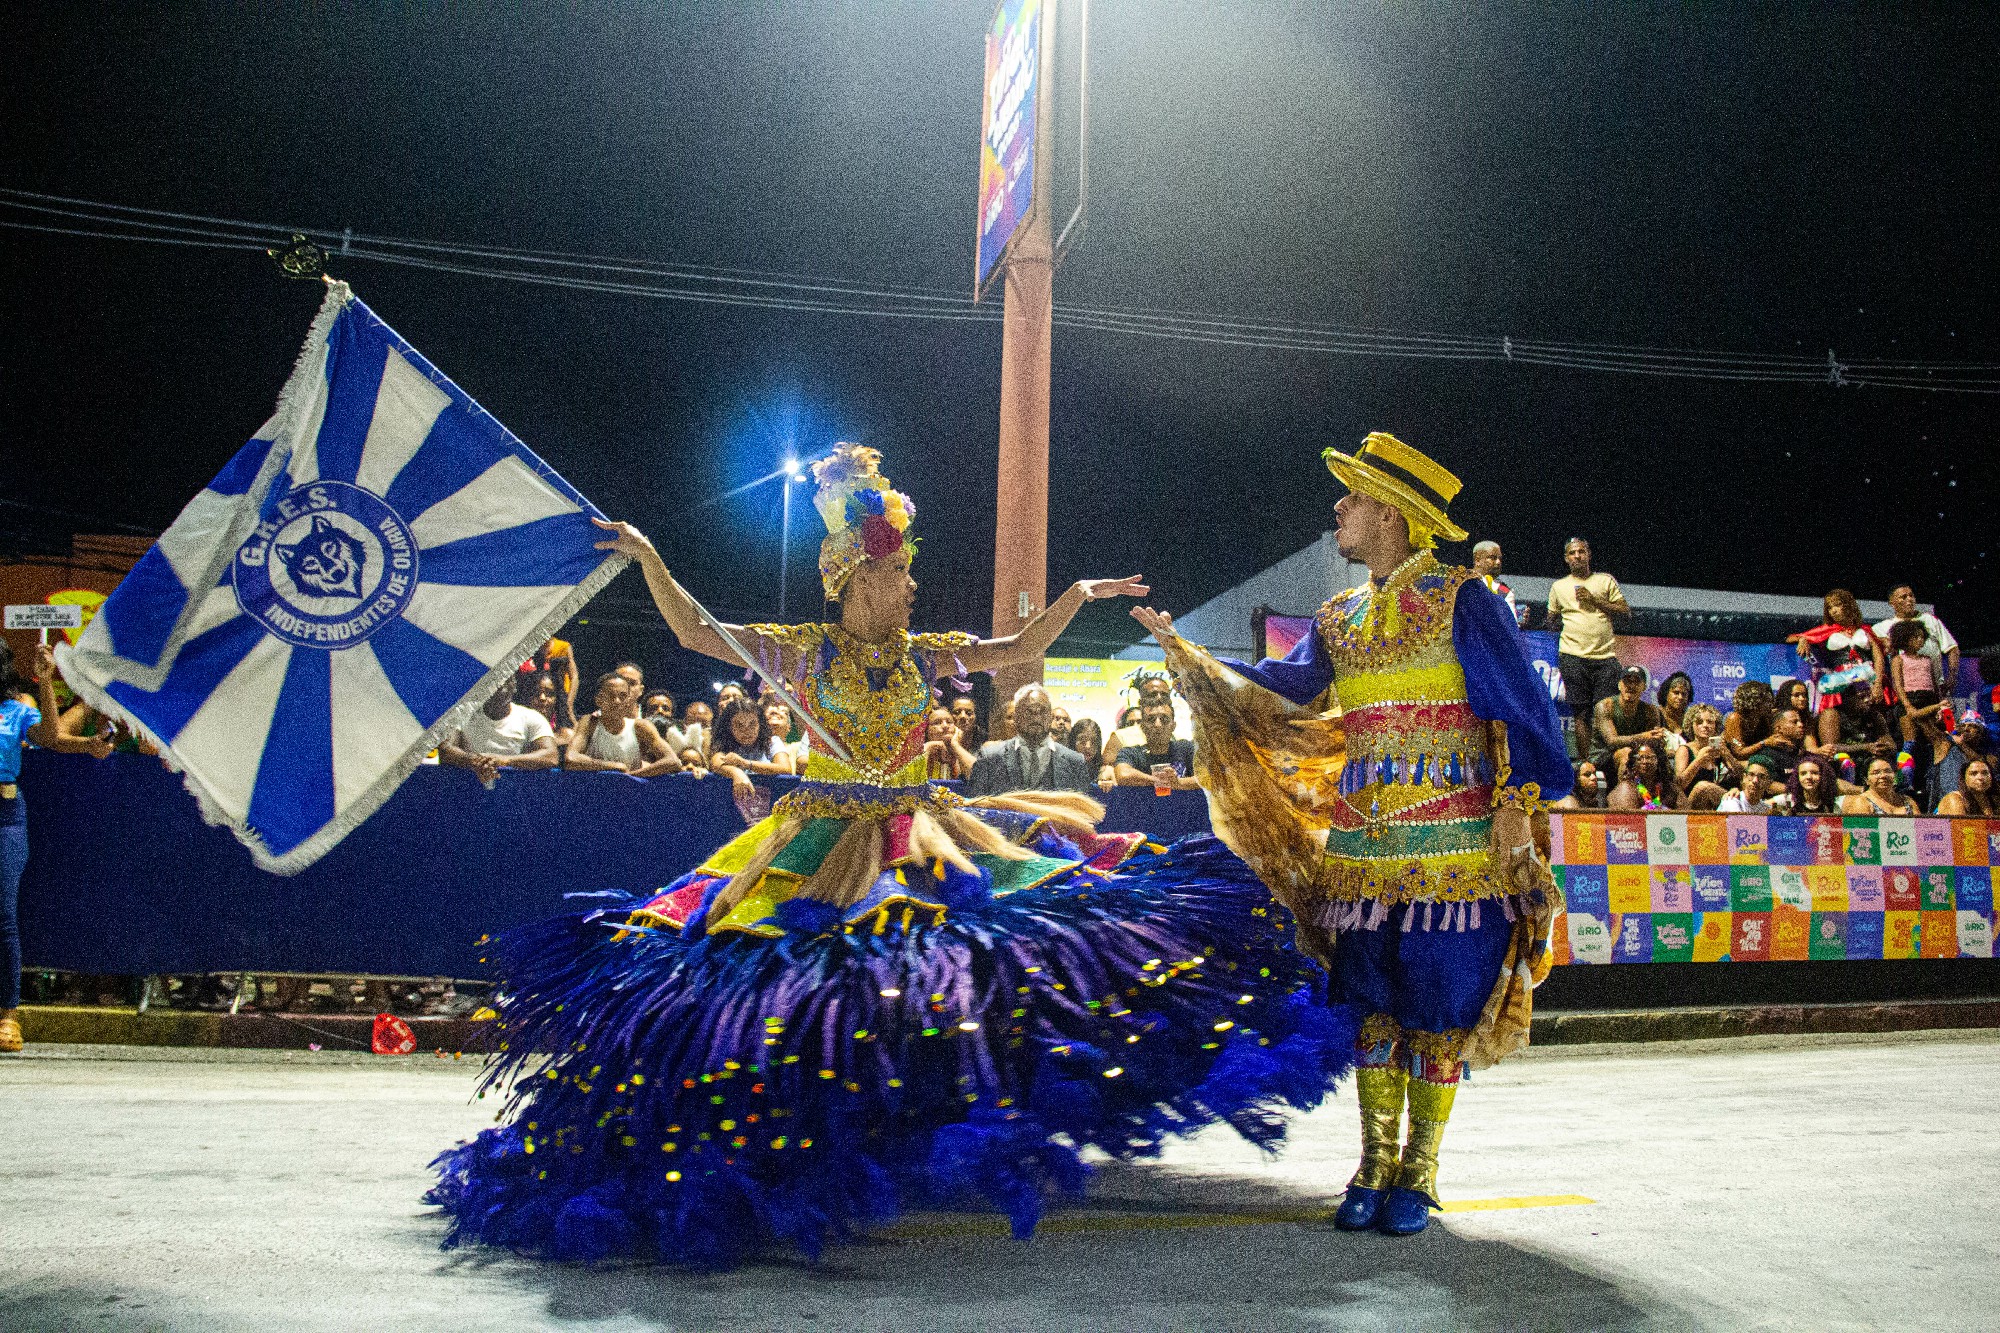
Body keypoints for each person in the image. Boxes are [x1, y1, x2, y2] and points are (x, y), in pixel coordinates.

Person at [429, 444, 1355, 1267]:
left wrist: (1077, 598)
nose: (913, 585)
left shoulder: (927, 655)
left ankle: (937, 1114)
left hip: (926, 830)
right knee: (811, 980)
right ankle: (827, 1133)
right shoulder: (802, 654)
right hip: (821, 840)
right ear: (855, 580)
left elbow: (1018, 646)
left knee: (969, 964)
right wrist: (650, 559)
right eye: (901, 571)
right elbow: (696, 634)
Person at [1136, 431, 1572, 1237]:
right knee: (1371, 1011)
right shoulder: (1337, 617)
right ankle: (1372, 1163)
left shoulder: (1465, 599)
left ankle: (1420, 1169)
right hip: (1363, 856)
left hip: (1458, 852)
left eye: (1355, 497)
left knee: (1438, 1009)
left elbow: (1522, 707)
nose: (1339, 508)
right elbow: (1280, 690)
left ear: (1394, 514)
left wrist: (1517, 800)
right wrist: (1189, 658)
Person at [1, 643, 73, 1054]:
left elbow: (51, 737)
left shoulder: (14, 711)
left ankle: (8, 1015)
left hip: (4, 815)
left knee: (3, 915)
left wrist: (45, 682)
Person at [1546, 536, 1630, 762]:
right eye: (1572, 553)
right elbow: (1551, 620)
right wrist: (1549, 620)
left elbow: (1625, 613)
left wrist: (1594, 600)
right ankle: (1587, 766)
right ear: (1566, 558)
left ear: (1588, 555)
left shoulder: (1604, 580)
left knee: (1605, 711)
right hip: (1573, 656)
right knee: (1581, 713)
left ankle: (1607, 762)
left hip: (1604, 657)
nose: (1577, 556)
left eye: (1581, 552)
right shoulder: (1558, 586)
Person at [965, 684, 1092, 797]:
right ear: (1016, 716)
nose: (1036, 717)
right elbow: (975, 808)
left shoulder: (1075, 762)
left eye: (1042, 711)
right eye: (1029, 711)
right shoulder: (989, 757)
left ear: (1050, 717)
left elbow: (1083, 812)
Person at [438, 673, 561, 781]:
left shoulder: (531, 718)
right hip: (467, 789)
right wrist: (475, 761)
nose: (500, 688)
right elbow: (445, 749)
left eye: (505, 682)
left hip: (513, 790)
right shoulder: (462, 714)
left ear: (514, 686)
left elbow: (551, 756)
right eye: (494, 682)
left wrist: (504, 760)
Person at [566, 671, 681, 777]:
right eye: (611, 696)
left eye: (622, 696)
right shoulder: (589, 723)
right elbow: (570, 758)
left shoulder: (641, 727)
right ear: (599, 700)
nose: (617, 701)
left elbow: (673, 762)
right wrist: (613, 767)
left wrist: (631, 777)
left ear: (628, 700)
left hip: (631, 791)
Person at [1790, 590, 1886, 716]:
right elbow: (1791, 638)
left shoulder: (1865, 629)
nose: (1833, 611)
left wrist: (1878, 684)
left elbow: (1879, 658)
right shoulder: (1827, 630)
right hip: (1842, 683)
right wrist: (1803, 639)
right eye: (1829, 608)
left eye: (1837, 605)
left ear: (1848, 605)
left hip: (1869, 680)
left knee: (1875, 716)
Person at [707, 695, 795, 820]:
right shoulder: (723, 743)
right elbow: (716, 763)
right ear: (729, 727)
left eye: (752, 724)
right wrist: (736, 773)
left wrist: (745, 763)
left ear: (760, 724)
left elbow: (785, 768)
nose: (746, 731)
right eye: (739, 725)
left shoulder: (772, 741)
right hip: (732, 813)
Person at [1873, 584, 1959, 699]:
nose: (1909, 599)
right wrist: (1883, 641)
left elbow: (1952, 648)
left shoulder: (1929, 620)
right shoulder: (1881, 628)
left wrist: (1952, 677)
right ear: (1892, 603)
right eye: (1903, 597)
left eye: (1911, 595)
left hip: (1936, 687)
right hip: (1905, 691)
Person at [1591, 665, 1666, 779]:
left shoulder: (1651, 711)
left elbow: (1654, 742)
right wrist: (1644, 737)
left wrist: (1659, 738)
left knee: (1656, 757)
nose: (1631, 686)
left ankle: (1651, 790)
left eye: (1636, 682)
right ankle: (1625, 790)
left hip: (1637, 755)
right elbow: (1612, 741)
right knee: (1626, 753)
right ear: (1619, 685)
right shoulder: (1605, 706)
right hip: (1603, 757)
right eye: (1627, 681)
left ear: (1644, 687)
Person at [1112, 698, 1200, 791]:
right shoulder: (1130, 753)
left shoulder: (1186, 748)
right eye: (1151, 719)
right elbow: (1123, 774)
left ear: (1173, 726)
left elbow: (1207, 776)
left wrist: (1179, 783)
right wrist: (1159, 781)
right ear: (1143, 727)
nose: (1158, 724)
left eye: (1164, 719)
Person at [1887, 619, 1942, 746]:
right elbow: (1898, 685)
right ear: (1904, 638)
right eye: (1916, 637)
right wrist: (1907, 705)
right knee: (1910, 739)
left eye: (1922, 637)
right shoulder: (1898, 659)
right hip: (1911, 698)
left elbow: (1934, 683)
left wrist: (1939, 702)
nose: (1920, 640)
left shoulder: (1927, 659)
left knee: (1931, 737)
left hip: (1928, 698)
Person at [1675, 703, 1737, 798]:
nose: (1705, 725)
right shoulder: (1684, 750)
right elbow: (1679, 785)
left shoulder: (1718, 749)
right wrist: (1699, 760)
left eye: (1710, 722)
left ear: (1716, 725)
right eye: (1699, 722)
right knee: (1703, 787)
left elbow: (1740, 776)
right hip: (1690, 801)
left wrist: (1727, 754)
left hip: (1713, 801)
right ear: (1691, 725)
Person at [1608, 738, 1678, 811]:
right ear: (1634, 762)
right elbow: (1627, 817)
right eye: (1640, 758)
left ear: (1659, 761)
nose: (1645, 762)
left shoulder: (1670, 789)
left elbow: (1684, 813)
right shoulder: (1626, 788)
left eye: (1651, 758)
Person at [1470, 540, 1522, 627]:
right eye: (1492, 558)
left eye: (1500, 559)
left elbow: (1511, 627)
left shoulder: (1504, 592)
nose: (1498, 562)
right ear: (1477, 560)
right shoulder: (1459, 583)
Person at [1841, 756, 1916, 816]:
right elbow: (1860, 830)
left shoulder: (1907, 801)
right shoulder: (1861, 802)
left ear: (1895, 776)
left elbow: (1919, 828)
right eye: (1876, 773)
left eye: (1887, 771)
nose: (1883, 776)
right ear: (1866, 780)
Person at [921, 706, 976, 781]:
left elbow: (978, 776)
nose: (945, 726)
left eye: (949, 722)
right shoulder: (919, 751)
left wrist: (955, 745)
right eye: (937, 723)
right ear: (927, 730)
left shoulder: (960, 754)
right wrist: (928, 747)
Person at [1718, 755, 1783, 812]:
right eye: (1751, 775)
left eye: (1762, 777)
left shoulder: (1766, 809)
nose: (1755, 780)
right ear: (1744, 777)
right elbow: (1739, 821)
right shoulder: (1731, 800)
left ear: (1769, 783)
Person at [1656, 671, 1695, 746]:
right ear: (1666, 694)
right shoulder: (1654, 715)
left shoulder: (1691, 720)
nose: (1680, 697)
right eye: (1676, 693)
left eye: (1684, 694)